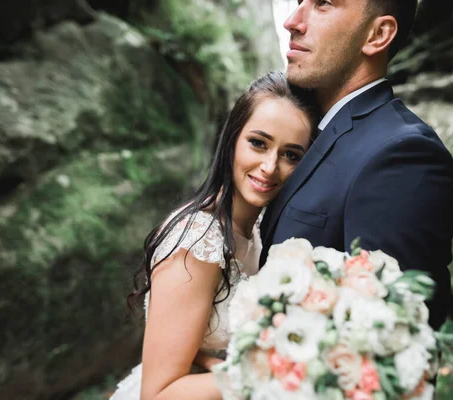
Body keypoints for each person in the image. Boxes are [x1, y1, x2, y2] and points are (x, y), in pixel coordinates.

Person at [110, 71, 317, 400]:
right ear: (233, 138)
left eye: (291, 155)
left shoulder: (258, 233)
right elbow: (159, 393)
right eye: (258, 143)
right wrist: (273, 378)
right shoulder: (199, 240)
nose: (269, 166)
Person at [260, 0, 453, 331]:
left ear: (378, 34)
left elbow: (390, 343)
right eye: (299, 3)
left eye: (323, 4)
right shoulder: (302, 126)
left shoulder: (403, 157)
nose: (292, 22)